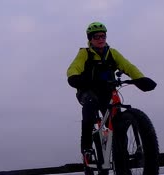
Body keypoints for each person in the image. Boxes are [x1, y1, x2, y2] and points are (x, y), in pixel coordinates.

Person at [66, 21, 157, 166]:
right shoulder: (84, 53)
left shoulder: (112, 53)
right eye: (97, 37)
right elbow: (73, 68)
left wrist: (141, 79)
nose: (101, 39)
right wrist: (75, 78)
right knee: (89, 108)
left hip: (107, 91)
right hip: (87, 90)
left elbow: (128, 66)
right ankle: (87, 149)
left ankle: (122, 160)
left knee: (117, 121)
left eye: (103, 36)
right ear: (90, 39)